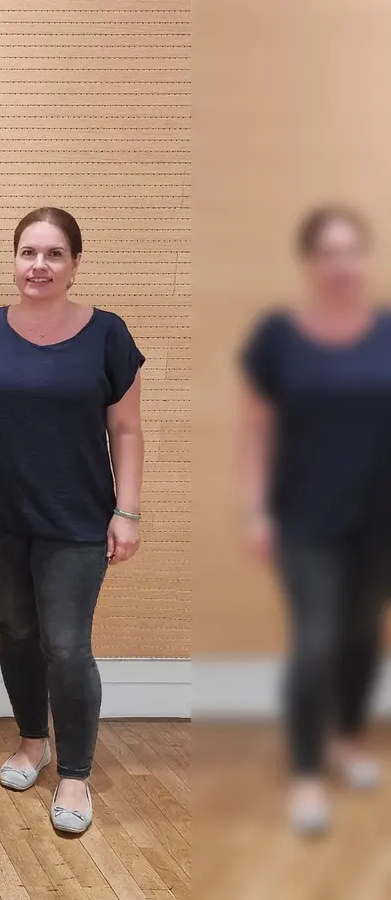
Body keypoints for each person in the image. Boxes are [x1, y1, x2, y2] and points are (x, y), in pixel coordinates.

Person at [0, 207, 146, 836]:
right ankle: (34, 742)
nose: (39, 266)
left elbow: (127, 428)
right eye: (28, 252)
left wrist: (127, 510)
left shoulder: (107, 335)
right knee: (18, 631)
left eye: (54, 254)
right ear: (14, 259)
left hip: (77, 519)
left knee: (66, 643)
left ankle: (76, 775)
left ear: (74, 264)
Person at [238, 206, 391, 836]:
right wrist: (253, 509)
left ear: (365, 257)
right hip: (304, 519)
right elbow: (255, 429)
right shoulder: (278, 336)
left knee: (363, 636)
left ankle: (349, 739)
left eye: (351, 250)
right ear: (309, 262)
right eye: (328, 252)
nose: (340, 263)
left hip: (379, 518)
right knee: (317, 639)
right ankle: (305, 774)